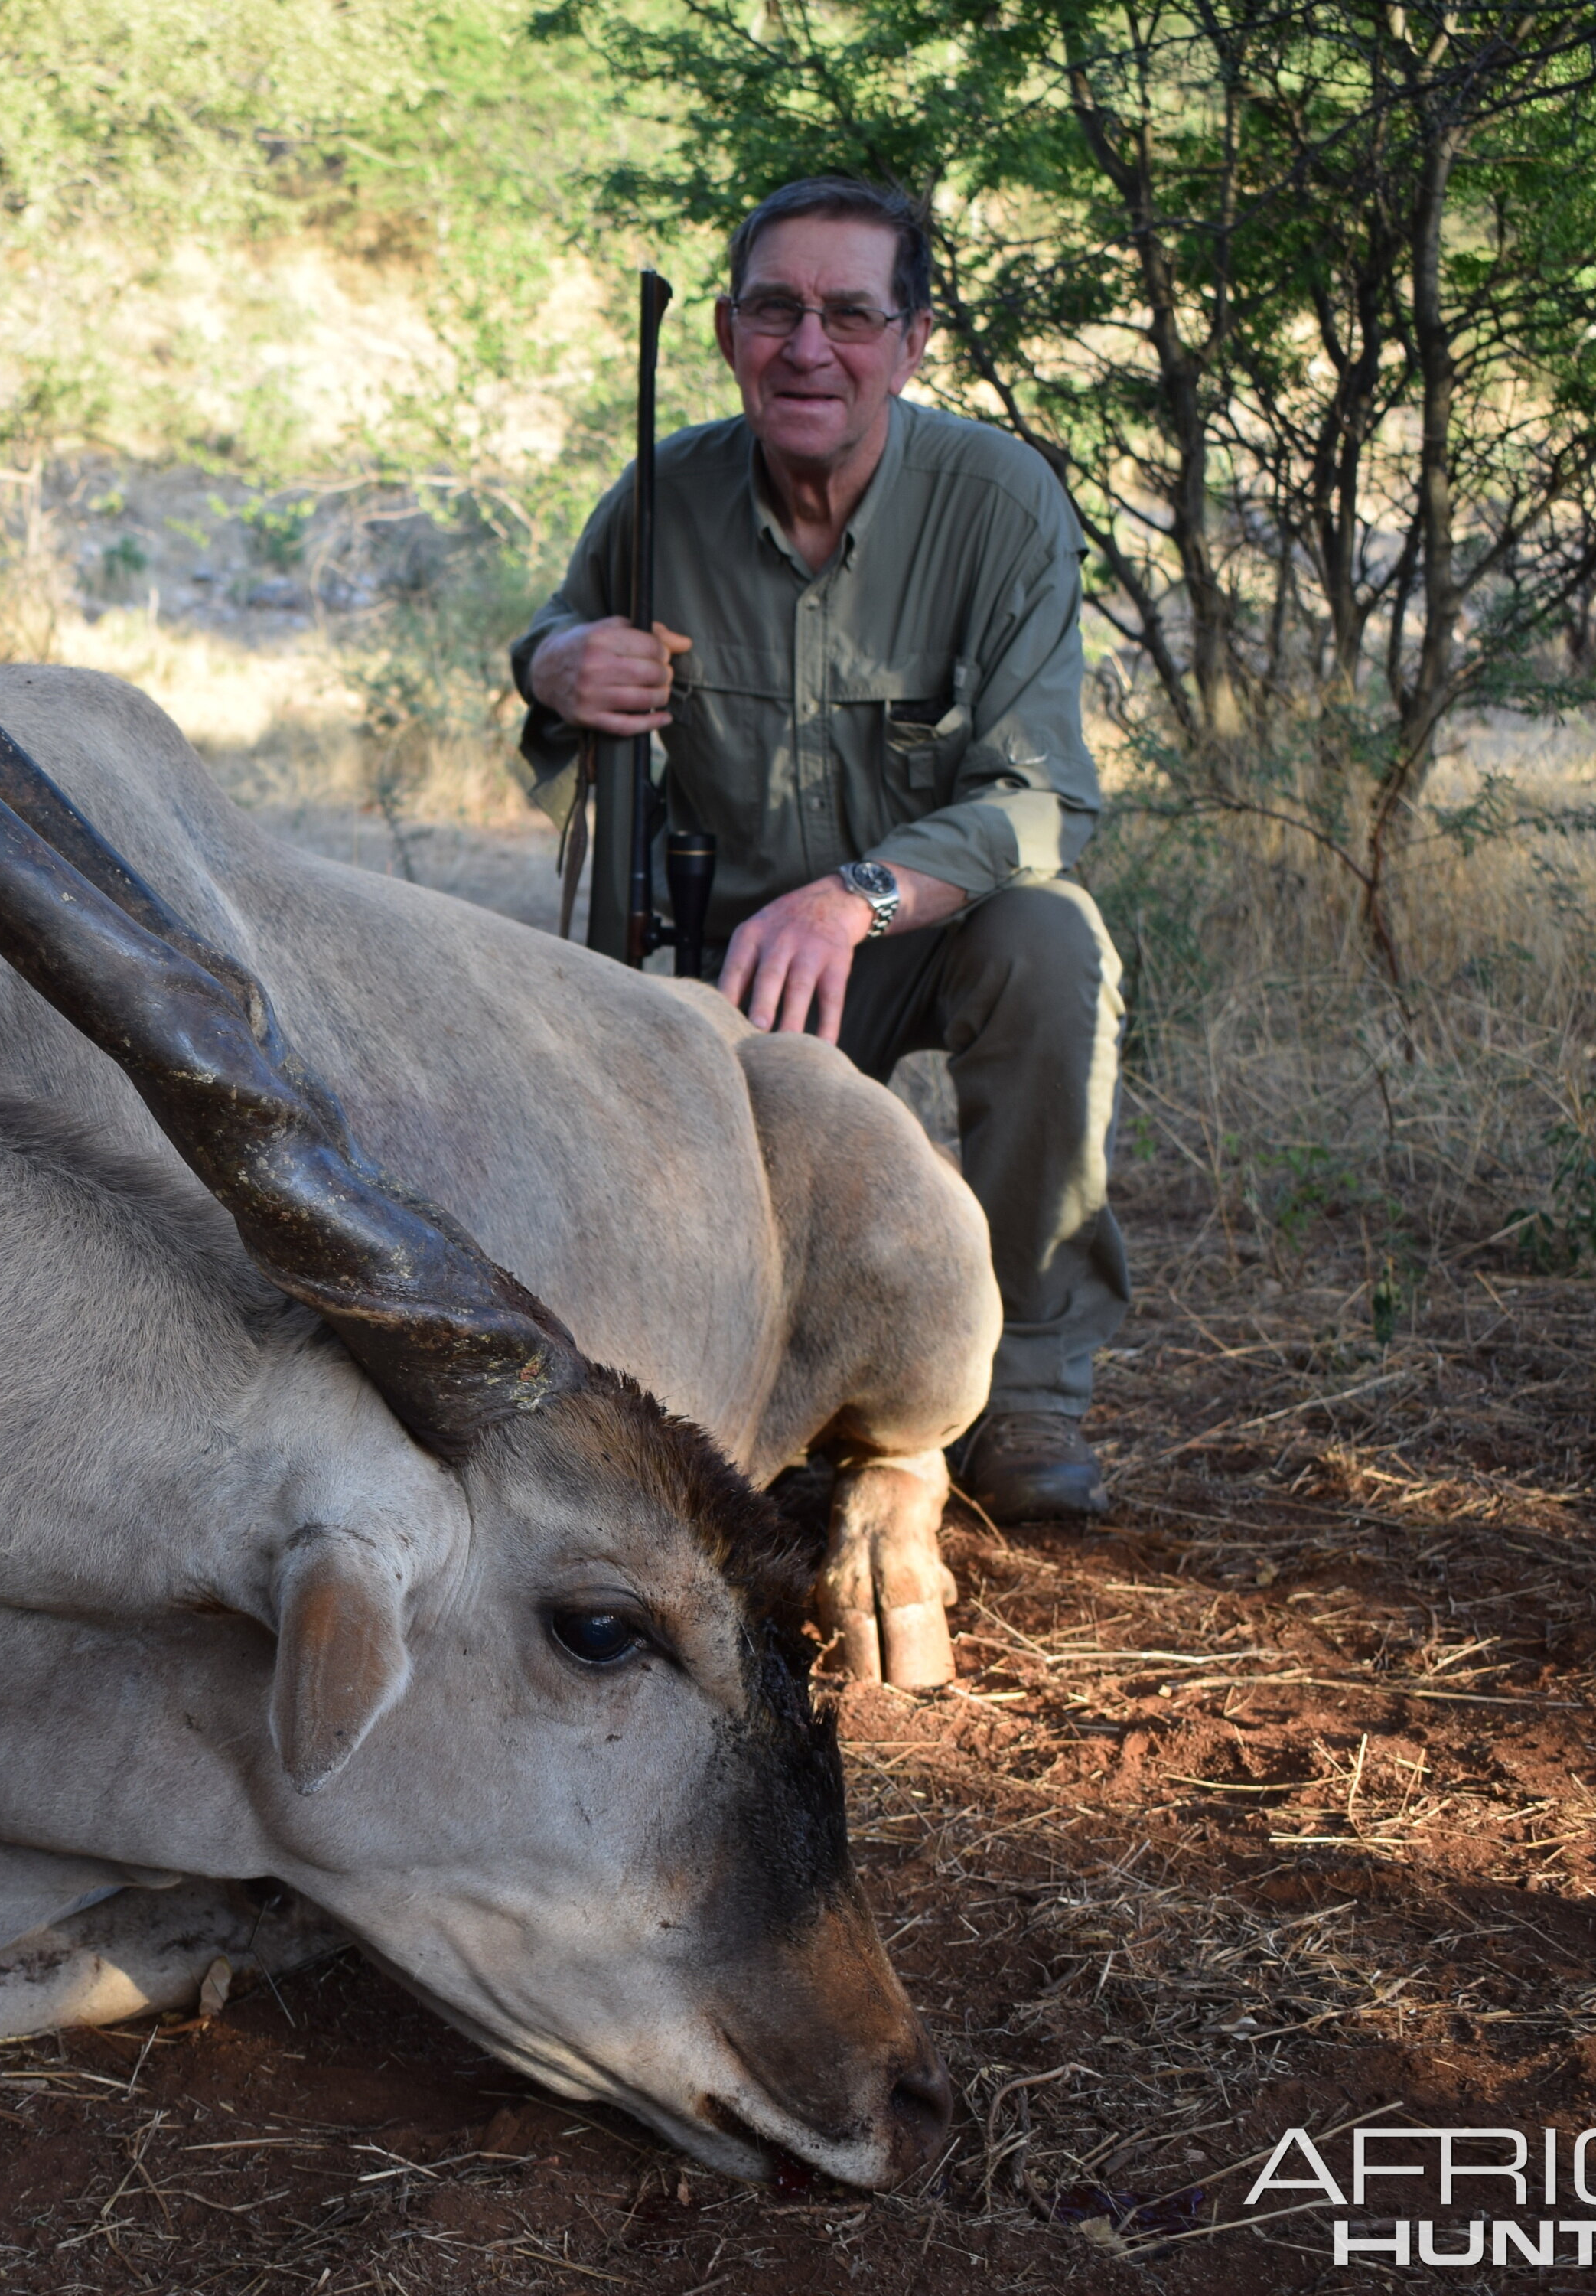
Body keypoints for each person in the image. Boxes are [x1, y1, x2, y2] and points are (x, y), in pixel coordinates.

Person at [511, 176, 1126, 1523]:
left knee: (1051, 942)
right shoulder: (658, 496)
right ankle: (749, 1391)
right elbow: (552, 648)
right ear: (729, 331)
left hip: (918, 934)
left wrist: (852, 899)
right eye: (777, 310)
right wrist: (562, 663)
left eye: (851, 314)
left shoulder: (1001, 500)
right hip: (725, 969)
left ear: (911, 342)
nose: (809, 347)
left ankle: (1027, 1396)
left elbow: (1045, 798)